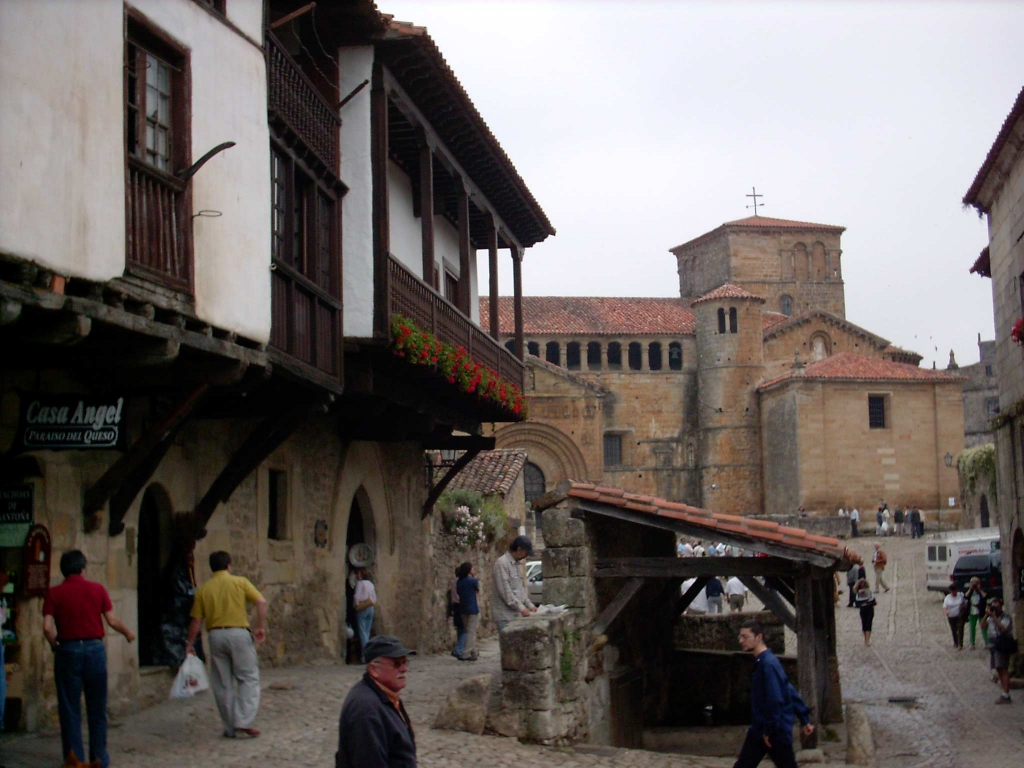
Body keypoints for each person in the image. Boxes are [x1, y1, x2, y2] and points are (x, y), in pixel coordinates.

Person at [42, 550, 136, 768]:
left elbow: (47, 627)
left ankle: (74, 759)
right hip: (94, 649)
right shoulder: (97, 589)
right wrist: (128, 633)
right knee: (97, 706)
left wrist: (55, 645)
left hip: (67, 650)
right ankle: (99, 758)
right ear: (83, 568)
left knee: (69, 708)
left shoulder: (54, 593)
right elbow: (111, 620)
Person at [186, 551, 267, 738]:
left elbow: (196, 621)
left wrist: (189, 643)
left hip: (215, 635)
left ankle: (230, 727)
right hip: (239, 633)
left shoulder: (204, 590)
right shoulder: (240, 582)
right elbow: (261, 602)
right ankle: (243, 720)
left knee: (222, 683)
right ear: (229, 566)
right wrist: (260, 626)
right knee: (248, 677)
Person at [734, 619, 814, 768]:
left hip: (774, 730)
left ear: (758, 638)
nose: (741, 641)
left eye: (745, 637)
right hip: (763, 728)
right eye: (740, 636)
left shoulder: (768, 665)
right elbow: (788, 689)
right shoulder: (765, 662)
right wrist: (804, 719)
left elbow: (776, 698)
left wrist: (768, 730)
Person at [336, 635, 417, 767]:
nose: (404, 669)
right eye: (396, 664)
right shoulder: (366, 709)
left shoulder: (385, 694)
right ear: (374, 669)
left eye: (405, 662)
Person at [152, 537, 204, 667]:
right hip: (177, 613)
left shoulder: (186, 573)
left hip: (184, 613)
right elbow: (181, 593)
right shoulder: (176, 572)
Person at [492, 536, 536, 631]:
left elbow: (520, 589)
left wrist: (530, 606)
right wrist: (522, 608)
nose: (526, 556)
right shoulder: (502, 564)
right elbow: (505, 591)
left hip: (515, 616)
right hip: (505, 616)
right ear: (519, 549)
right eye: (526, 553)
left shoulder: (515, 565)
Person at [981, 597, 1014, 704]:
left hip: (1002, 645)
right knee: (998, 669)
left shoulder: (1006, 617)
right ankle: (1004, 692)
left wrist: (994, 616)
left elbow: (1003, 629)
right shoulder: (991, 616)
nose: (994, 605)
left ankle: (1006, 694)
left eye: (996, 603)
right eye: (992, 603)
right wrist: (986, 615)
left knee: (1002, 668)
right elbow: (982, 626)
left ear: (1001, 604)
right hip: (993, 645)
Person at [456, 562, 480, 661]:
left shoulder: (459, 582)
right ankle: (466, 653)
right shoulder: (472, 581)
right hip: (472, 608)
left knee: (468, 630)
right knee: (471, 632)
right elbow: (477, 590)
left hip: (463, 608)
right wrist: (474, 577)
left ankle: (474, 652)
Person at [354, 568, 378, 663]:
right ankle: (369, 654)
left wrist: (356, 604)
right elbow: (374, 598)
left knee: (362, 633)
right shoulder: (370, 584)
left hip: (363, 608)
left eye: (358, 573)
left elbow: (357, 596)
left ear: (361, 574)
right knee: (367, 632)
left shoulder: (360, 583)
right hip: (370, 608)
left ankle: (366, 656)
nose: (356, 575)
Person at [964, 577, 989, 650]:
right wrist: (971, 588)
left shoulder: (982, 591)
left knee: (984, 627)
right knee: (972, 628)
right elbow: (966, 596)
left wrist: (979, 589)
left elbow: (985, 597)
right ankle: (972, 644)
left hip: (981, 611)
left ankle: (987, 642)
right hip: (972, 611)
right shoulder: (970, 591)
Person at [448, 566, 465, 659]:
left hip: (455, 606)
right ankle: (458, 649)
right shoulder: (460, 582)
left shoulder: (453, 581)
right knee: (465, 629)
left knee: (460, 629)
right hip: (461, 605)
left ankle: (460, 649)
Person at [942, 584, 966, 650]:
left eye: (954, 591)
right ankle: (956, 642)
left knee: (960, 629)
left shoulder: (960, 595)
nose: (953, 592)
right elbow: (945, 607)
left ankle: (960, 644)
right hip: (951, 616)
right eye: (952, 591)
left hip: (959, 615)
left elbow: (965, 602)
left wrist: (963, 607)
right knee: (954, 629)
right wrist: (946, 612)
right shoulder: (947, 598)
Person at [853, 579, 875, 646]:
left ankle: (867, 639)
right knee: (865, 624)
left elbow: (873, 599)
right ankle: (866, 639)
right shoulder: (858, 593)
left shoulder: (869, 591)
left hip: (868, 609)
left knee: (868, 623)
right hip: (865, 609)